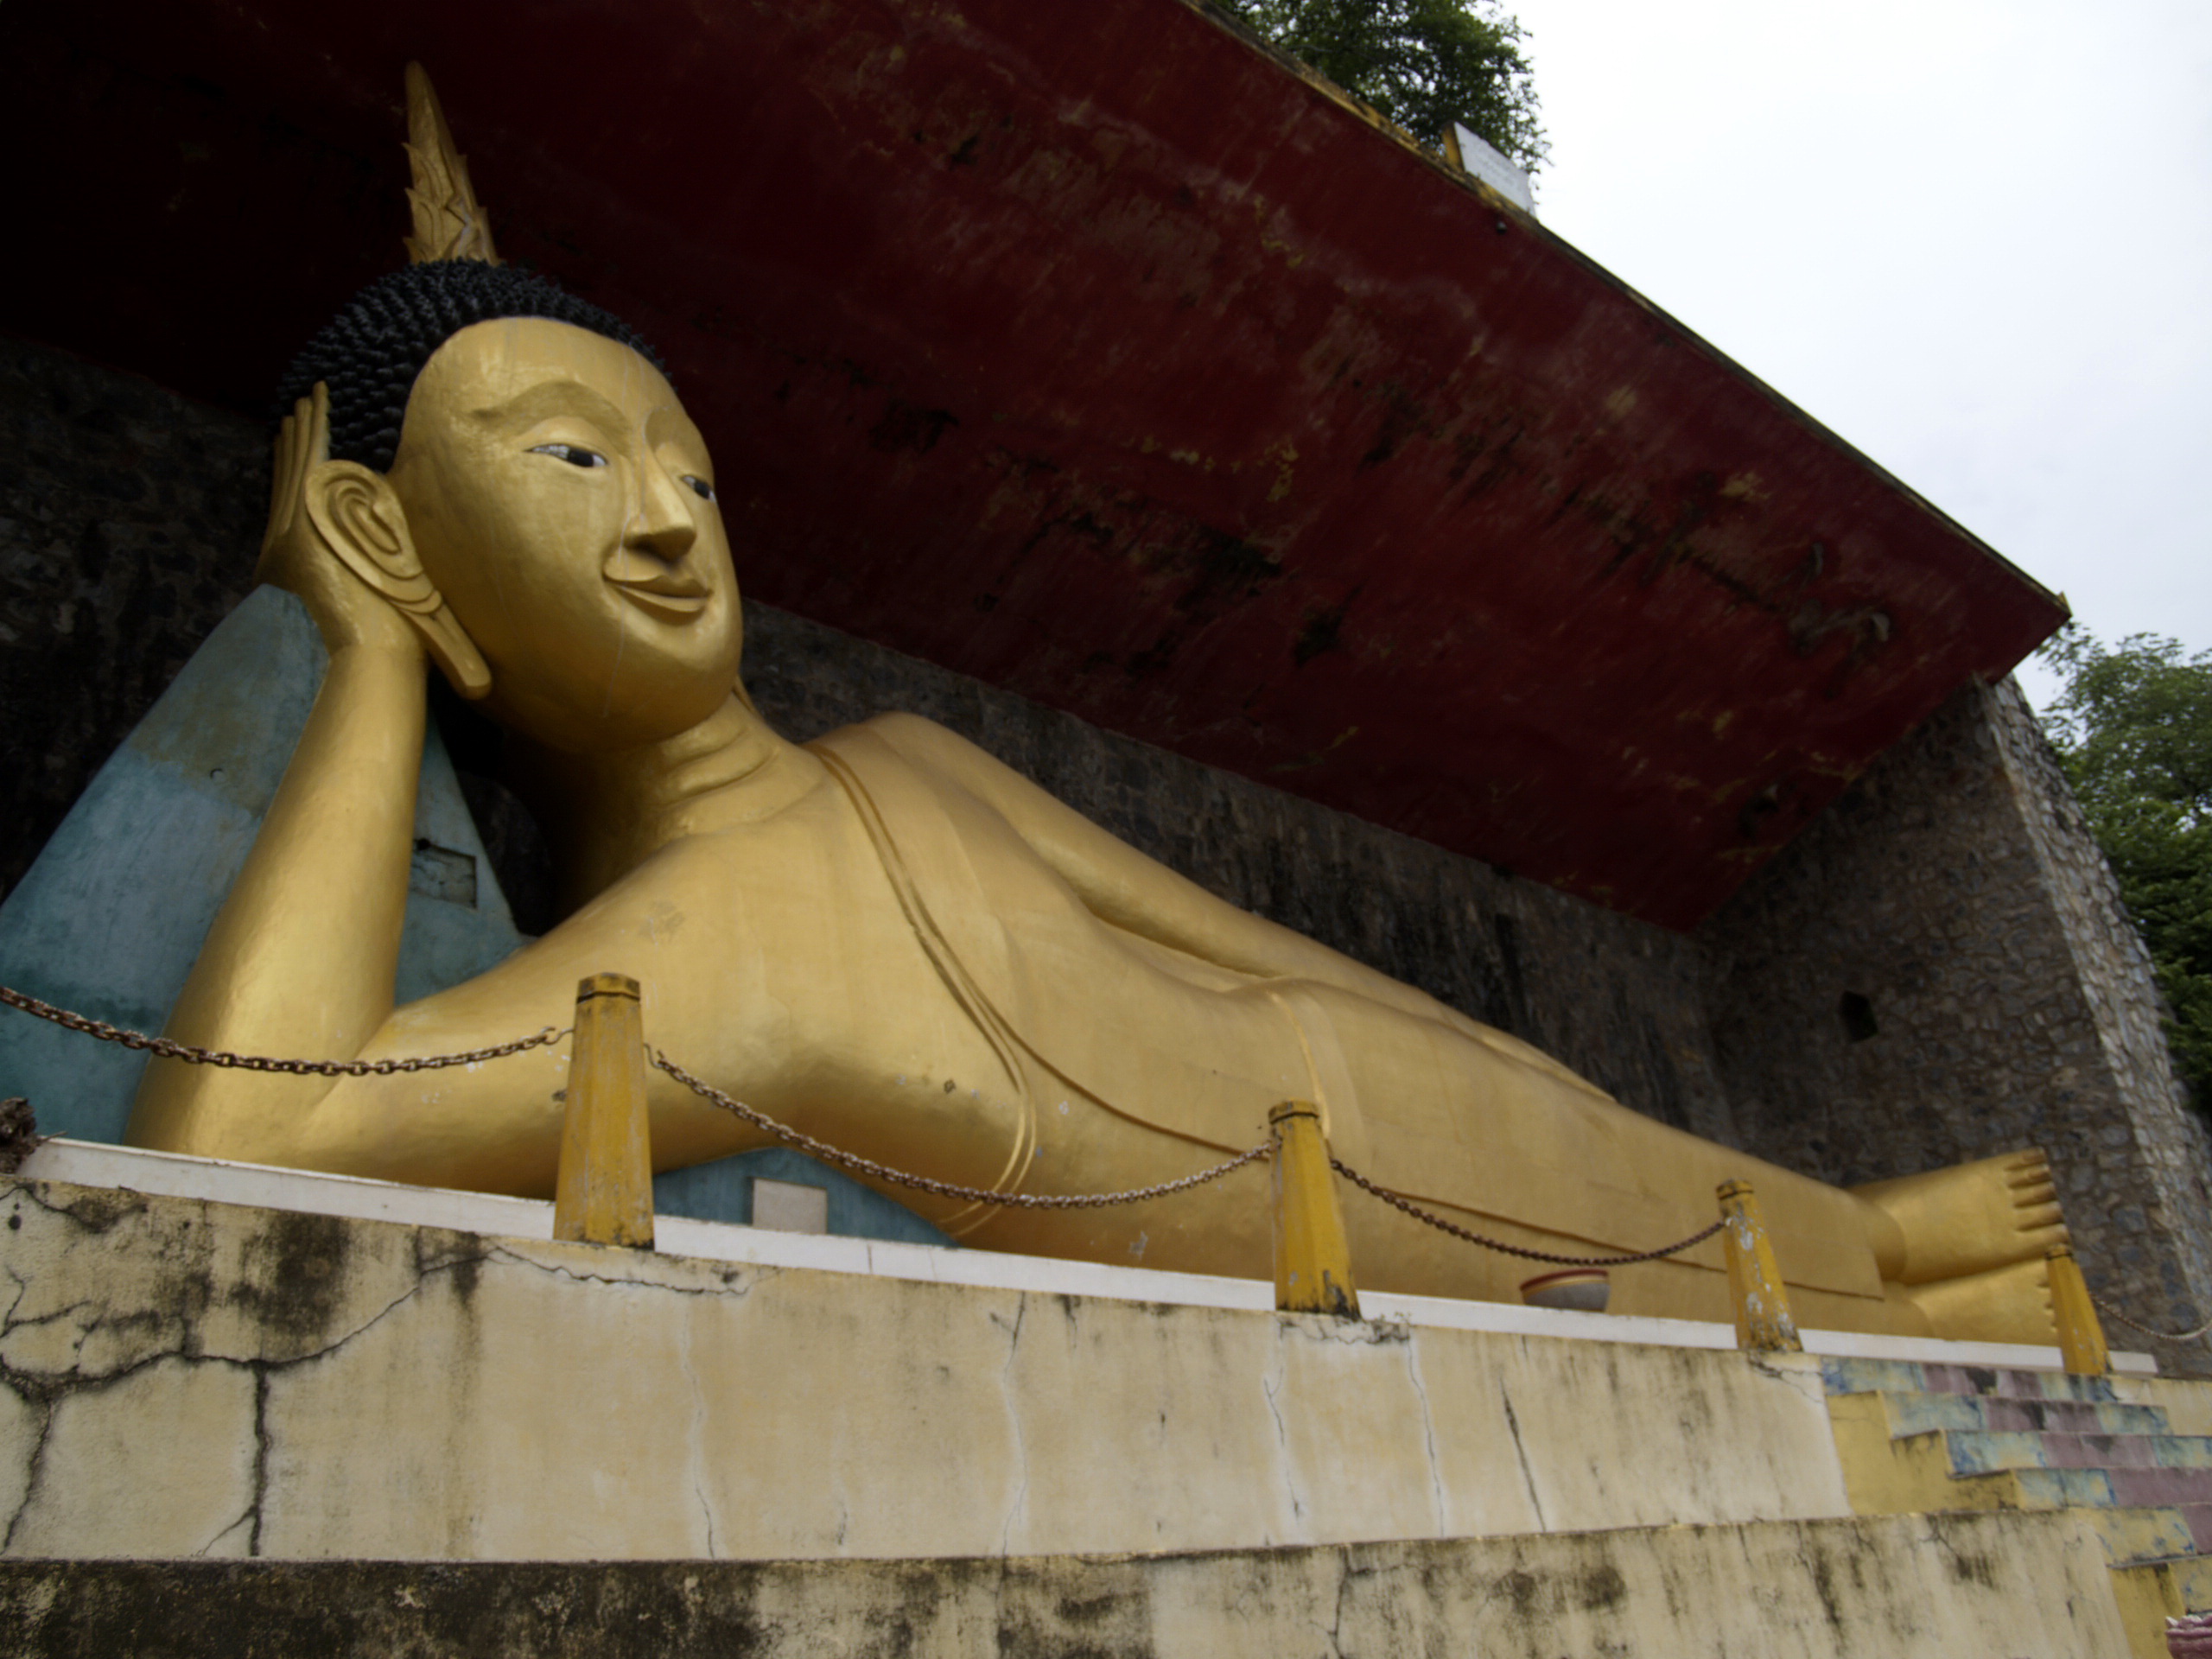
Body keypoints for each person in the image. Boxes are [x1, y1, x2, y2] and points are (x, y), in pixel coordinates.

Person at [124, 79, 2064, 1341]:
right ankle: (1893, 1274)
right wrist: (366, 648)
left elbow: (1239, 944)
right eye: (568, 460)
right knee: (1751, 1274)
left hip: (1393, 1089)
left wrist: (1481, 1031)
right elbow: (245, 1131)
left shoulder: (898, 762)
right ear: (393, 529)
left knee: (1599, 1140)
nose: (662, 523)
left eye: (691, 472)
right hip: (1351, 1214)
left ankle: (1874, 1241)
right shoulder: (694, 970)